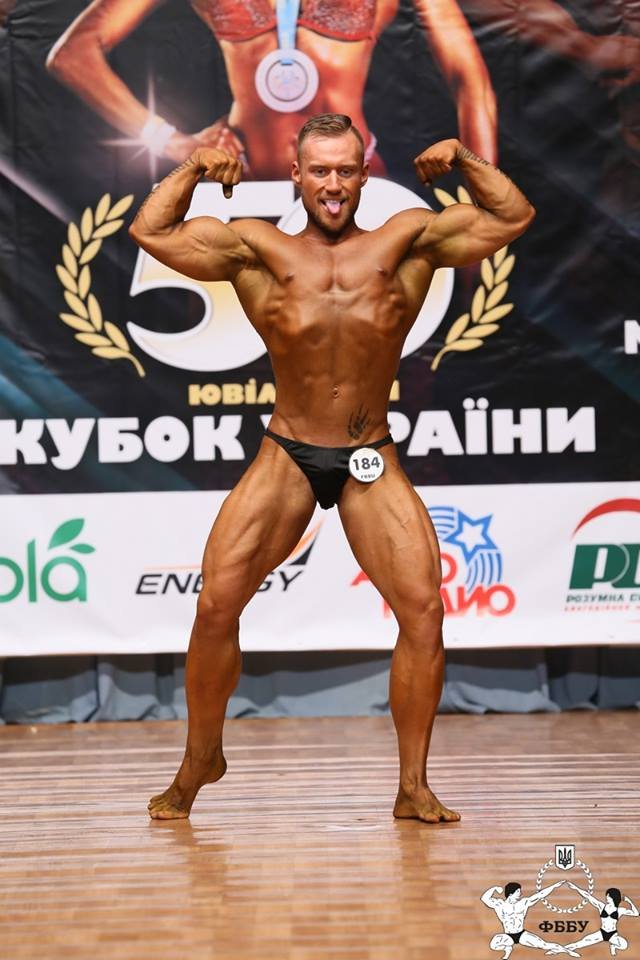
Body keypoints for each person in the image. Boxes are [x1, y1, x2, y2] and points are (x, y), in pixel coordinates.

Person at [128, 112, 534, 821]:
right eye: (320, 170)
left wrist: (465, 158)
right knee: (216, 605)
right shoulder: (258, 249)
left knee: (424, 612)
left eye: (346, 169)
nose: (333, 184)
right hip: (288, 451)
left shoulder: (406, 240)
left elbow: (513, 216)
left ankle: (412, 785)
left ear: (364, 173)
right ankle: (200, 758)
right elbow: (151, 232)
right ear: (296, 175)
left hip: (369, 453)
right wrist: (193, 167)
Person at [45, 0, 497, 178]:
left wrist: (485, 214)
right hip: (243, 186)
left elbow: (471, 82)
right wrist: (169, 140)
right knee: (232, 357)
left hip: (355, 185)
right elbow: (73, 55)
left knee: (372, 354)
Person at [481, 882, 579, 959]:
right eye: (518, 891)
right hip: (508, 935)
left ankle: (568, 951)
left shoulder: (523, 903)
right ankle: (507, 949)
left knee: (544, 945)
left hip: (521, 934)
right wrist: (494, 888)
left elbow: (540, 895)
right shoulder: (500, 904)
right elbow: (484, 898)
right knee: (493, 945)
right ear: (511, 893)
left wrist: (554, 886)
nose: (520, 894)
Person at [547, 882, 639, 957]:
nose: (606, 898)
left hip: (612, 935)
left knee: (624, 945)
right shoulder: (601, 906)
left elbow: (636, 913)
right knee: (580, 943)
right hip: (602, 933)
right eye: (607, 896)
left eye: (608, 896)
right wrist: (576, 888)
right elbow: (588, 896)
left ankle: (613, 946)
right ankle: (557, 950)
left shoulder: (620, 910)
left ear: (613, 897)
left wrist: (628, 901)